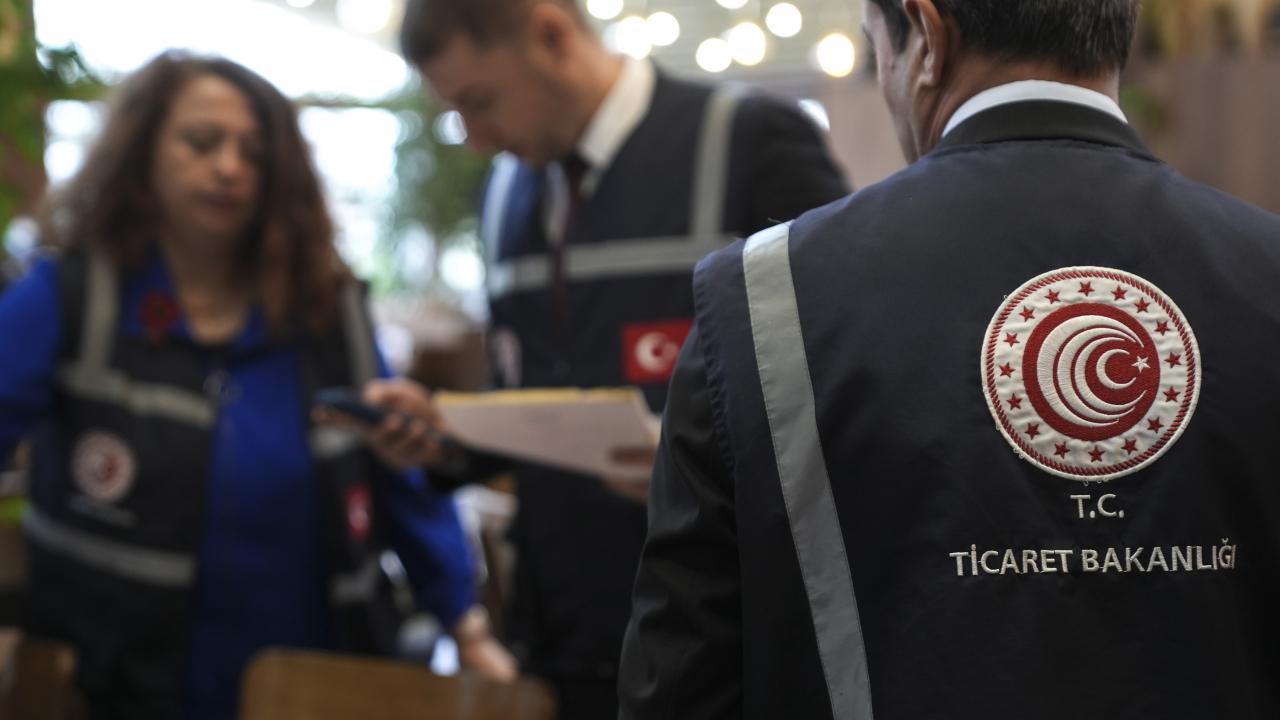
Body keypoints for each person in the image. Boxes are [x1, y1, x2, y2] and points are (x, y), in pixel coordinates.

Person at [619, 0, 1280, 717]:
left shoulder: (761, 298)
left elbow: (682, 685)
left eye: (876, 50)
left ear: (927, 36)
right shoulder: (1265, 270)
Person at [349, 1, 850, 716]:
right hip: (560, 642)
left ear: (550, 34)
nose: (476, 141)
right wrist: (443, 437)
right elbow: (531, 394)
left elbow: (845, 383)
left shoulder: (747, 140)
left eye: (479, 102)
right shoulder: (506, 193)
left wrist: (693, 466)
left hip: (717, 648)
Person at [0, 51, 512, 720]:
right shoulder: (72, 295)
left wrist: (464, 625)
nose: (229, 167)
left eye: (255, 153)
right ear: (142, 152)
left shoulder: (327, 309)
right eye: (201, 141)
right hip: (115, 679)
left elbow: (400, 481)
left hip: (312, 674)